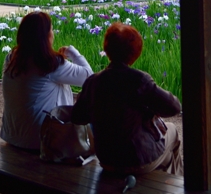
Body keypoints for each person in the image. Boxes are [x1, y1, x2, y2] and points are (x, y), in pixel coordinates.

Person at [72, 23, 182, 176]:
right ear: (135, 51)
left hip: (107, 160)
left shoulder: (93, 81)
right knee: (173, 132)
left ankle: (160, 182)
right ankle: (177, 188)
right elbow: (174, 107)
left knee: (165, 151)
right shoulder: (139, 80)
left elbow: (77, 117)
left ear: (107, 49)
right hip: (137, 159)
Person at [0, 11, 92, 150]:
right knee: (91, 123)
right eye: (51, 29)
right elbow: (89, 77)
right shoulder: (50, 63)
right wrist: (72, 52)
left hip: (12, 136)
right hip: (39, 140)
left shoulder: (12, 58)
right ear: (46, 35)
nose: (53, 33)